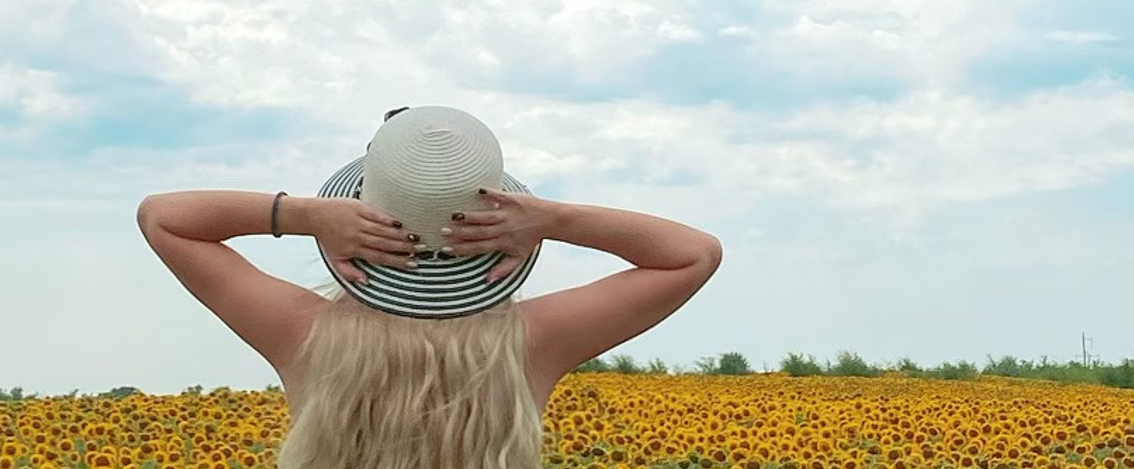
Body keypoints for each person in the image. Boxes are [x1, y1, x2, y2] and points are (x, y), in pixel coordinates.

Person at [137, 104, 723, 468]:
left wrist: (302, 216)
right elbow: (691, 255)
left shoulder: (301, 332)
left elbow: (165, 217)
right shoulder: (533, 342)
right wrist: (553, 219)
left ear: (355, 212)